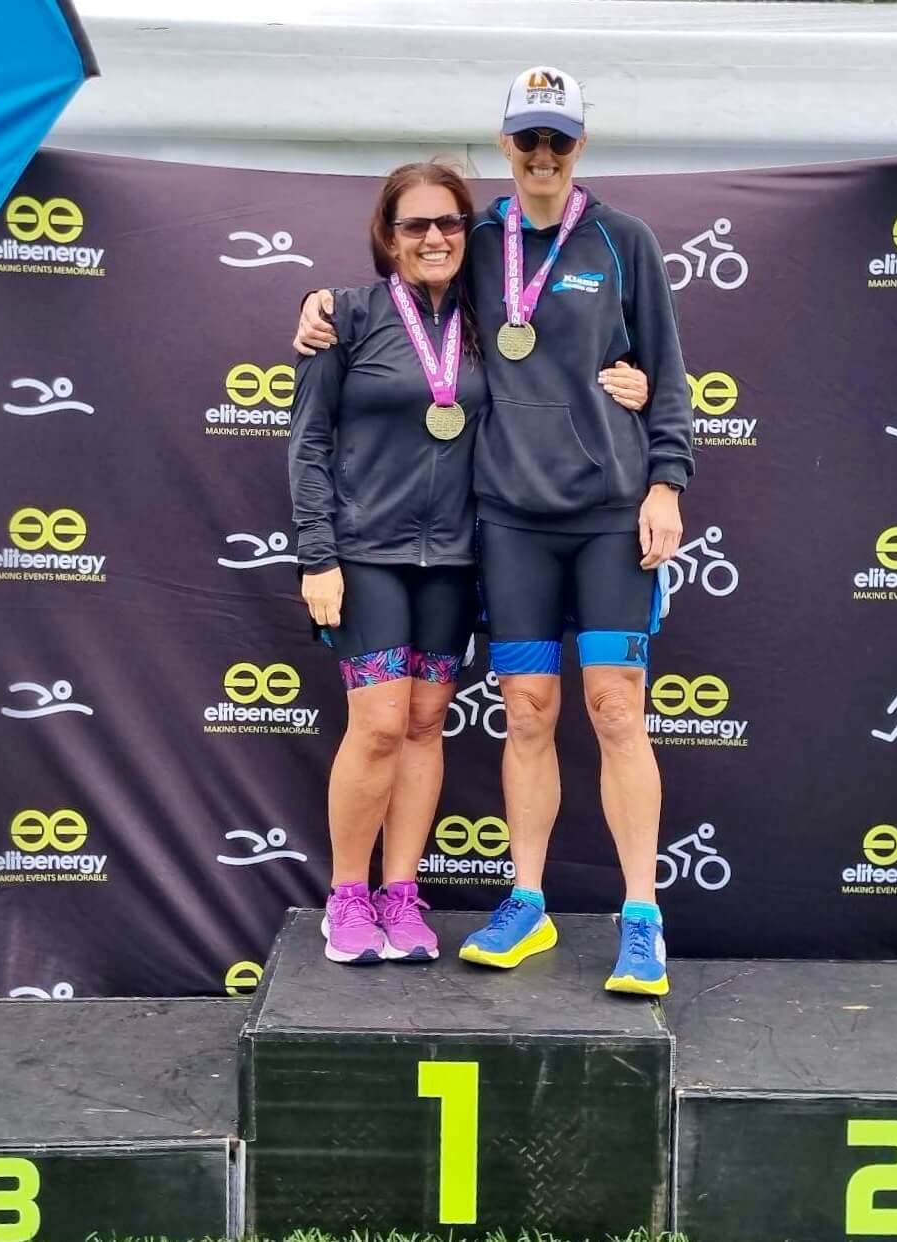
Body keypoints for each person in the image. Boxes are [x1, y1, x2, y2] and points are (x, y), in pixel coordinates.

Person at [295, 68, 694, 995]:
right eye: (528, 141)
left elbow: (666, 375)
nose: (543, 156)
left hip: (606, 518)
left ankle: (643, 916)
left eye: (559, 140)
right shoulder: (471, 241)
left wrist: (665, 482)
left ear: (581, 145)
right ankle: (526, 900)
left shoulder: (623, 239)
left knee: (617, 711)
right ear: (506, 146)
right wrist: (320, 309)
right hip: (507, 522)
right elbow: (402, 305)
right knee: (529, 714)